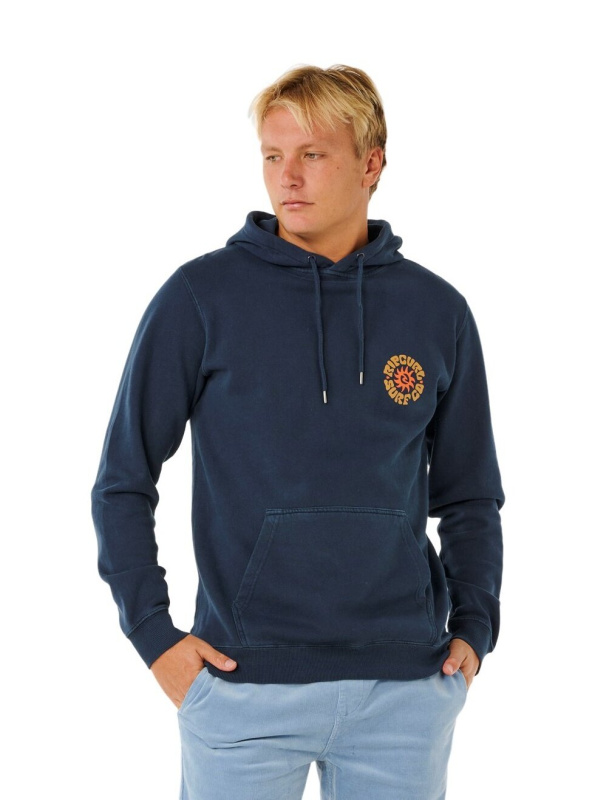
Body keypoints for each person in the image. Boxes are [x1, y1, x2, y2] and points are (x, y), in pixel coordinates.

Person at [91, 64, 504, 800]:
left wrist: (475, 627)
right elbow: (122, 481)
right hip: (241, 684)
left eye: (312, 154)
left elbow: (470, 494)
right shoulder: (201, 298)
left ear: (371, 164)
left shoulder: (436, 310)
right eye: (272, 155)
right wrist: (154, 637)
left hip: (404, 691)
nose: (287, 176)